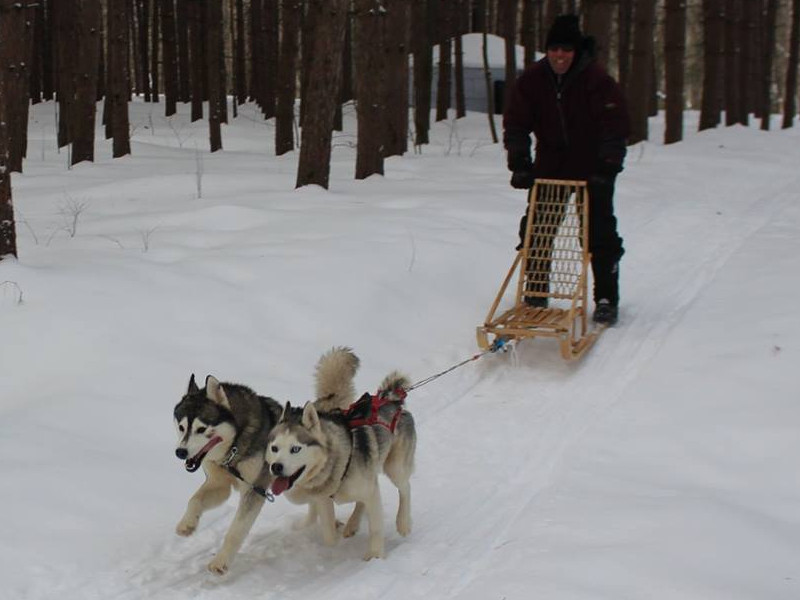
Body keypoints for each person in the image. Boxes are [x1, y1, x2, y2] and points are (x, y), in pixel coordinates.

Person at [502, 14, 629, 325]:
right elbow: (516, 125)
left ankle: (606, 298)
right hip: (550, 168)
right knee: (536, 230)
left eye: (566, 50)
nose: (560, 56)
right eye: (554, 49)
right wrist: (519, 162)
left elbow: (616, 127)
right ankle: (536, 291)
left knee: (598, 234)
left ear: (577, 51)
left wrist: (607, 167)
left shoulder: (597, 81)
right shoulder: (532, 81)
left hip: (592, 169)